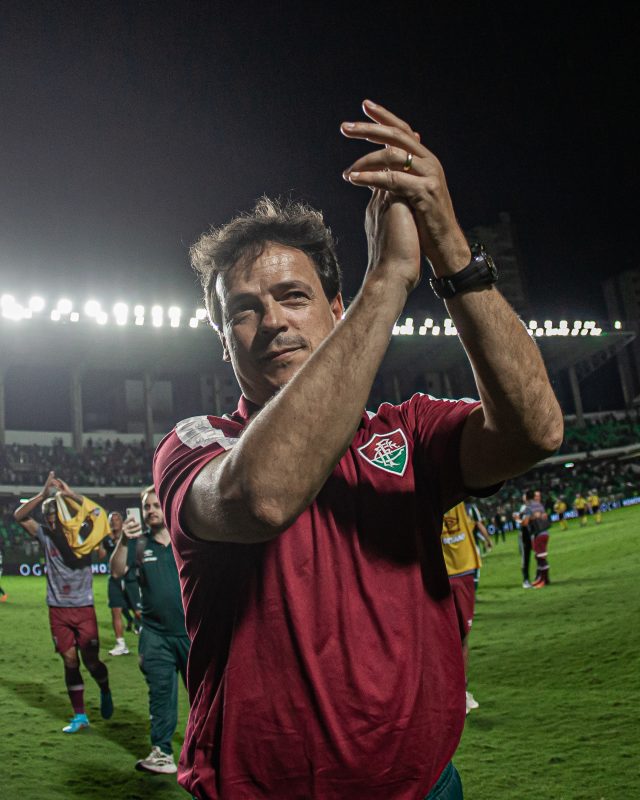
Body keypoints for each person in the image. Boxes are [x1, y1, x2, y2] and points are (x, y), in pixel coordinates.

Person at [152, 99, 563, 799]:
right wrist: (387, 281)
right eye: (243, 311)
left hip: (428, 786)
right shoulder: (197, 445)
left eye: (293, 296)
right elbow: (265, 498)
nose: (272, 321)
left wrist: (450, 249)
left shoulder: (409, 432)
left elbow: (535, 431)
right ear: (223, 342)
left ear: (334, 310)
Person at [14, 472, 114, 733]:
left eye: (54, 514)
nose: (51, 520)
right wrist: (42, 494)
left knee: (91, 661)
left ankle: (104, 687)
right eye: (47, 516)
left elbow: (98, 514)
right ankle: (80, 716)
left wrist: (70, 495)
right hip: (58, 609)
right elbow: (19, 516)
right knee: (70, 660)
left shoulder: (83, 536)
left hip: (83, 607)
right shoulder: (45, 536)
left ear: (64, 514)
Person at [110, 486, 189, 775]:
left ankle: (209, 753)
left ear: (166, 505)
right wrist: (123, 540)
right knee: (160, 694)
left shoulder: (185, 540)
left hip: (192, 634)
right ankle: (162, 753)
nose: (151, 510)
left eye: (156, 505)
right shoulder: (139, 544)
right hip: (155, 635)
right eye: (147, 507)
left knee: (205, 697)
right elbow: (116, 571)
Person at [441, 502, 483, 714]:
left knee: (461, 636)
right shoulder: (423, 498)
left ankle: (460, 692)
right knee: (446, 639)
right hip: (443, 572)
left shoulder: (459, 499)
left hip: (460, 570)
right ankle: (451, 693)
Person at [102, 511, 134, 655]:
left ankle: (137, 624)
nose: (114, 522)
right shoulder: (106, 539)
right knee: (116, 610)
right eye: (111, 520)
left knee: (138, 612)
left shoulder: (130, 536)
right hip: (114, 579)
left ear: (122, 522)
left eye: (117, 519)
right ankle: (121, 644)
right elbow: (101, 555)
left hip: (129, 578)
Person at [513, 490, 536, 588]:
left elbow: (524, 522)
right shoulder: (532, 506)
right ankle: (538, 577)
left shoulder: (527, 507)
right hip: (532, 533)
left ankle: (525, 580)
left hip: (525, 534)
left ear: (525, 497)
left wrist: (517, 519)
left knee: (525, 558)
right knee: (534, 556)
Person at [530, 489, 551, 587]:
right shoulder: (538, 506)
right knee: (539, 557)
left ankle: (544, 580)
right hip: (538, 534)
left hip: (541, 534)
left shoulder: (536, 506)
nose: (537, 498)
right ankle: (540, 578)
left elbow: (538, 518)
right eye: (536, 496)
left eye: (538, 496)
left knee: (541, 557)